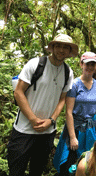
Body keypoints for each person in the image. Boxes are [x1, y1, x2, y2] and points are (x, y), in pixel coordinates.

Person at [7, 34, 77, 176]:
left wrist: (51, 120)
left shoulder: (68, 72)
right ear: (52, 47)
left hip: (47, 132)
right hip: (24, 130)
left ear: (70, 52)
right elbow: (18, 92)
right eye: (58, 45)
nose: (61, 50)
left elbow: (62, 100)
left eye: (65, 47)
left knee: (37, 170)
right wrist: (33, 119)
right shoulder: (35, 64)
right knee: (16, 171)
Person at [53, 52, 96, 175]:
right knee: (70, 164)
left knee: (89, 161)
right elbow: (69, 112)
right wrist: (72, 137)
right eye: (87, 64)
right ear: (81, 64)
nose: (90, 67)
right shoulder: (75, 85)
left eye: (93, 64)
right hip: (75, 128)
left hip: (91, 129)